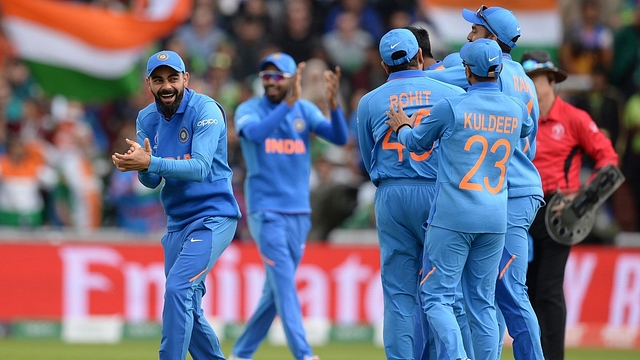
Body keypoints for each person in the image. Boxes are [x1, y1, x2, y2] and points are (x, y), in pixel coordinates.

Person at [386, 38, 533, 360]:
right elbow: (526, 128)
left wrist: (402, 128)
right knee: (483, 301)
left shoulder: (451, 106)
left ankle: (456, 357)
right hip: (495, 216)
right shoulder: (515, 108)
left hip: (453, 215)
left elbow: (417, 145)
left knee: (437, 297)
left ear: (466, 70)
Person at [111, 50, 240, 360]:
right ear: (149, 84)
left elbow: (199, 168)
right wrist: (141, 167)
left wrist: (151, 161)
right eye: (158, 80)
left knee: (178, 290)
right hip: (178, 223)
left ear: (186, 79)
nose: (166, 86)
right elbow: (152, 182)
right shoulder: (146, 118)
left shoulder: (206, 109)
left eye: (172, 78)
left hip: (214, 217)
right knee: (187, 307)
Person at [228, 52, 347, 360]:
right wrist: (288, 105)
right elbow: (254, 134)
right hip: (265, 212)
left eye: (278, 76)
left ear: (293, 79)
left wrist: (333, 106)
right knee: (283, 284)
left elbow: (338, 136)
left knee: (274, 291)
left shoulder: (303, 110)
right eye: (266, 76)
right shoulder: (249, 109)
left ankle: (241, 354)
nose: (270, 82)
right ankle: (304, 354)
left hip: (299, 213)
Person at [356, 28, 465, 360]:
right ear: (420, 56)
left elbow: (366, 155)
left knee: (399, 295)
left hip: (391, 194)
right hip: (439, 193)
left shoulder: (369, 101)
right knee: (444, 294)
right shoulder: (449, 92)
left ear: (383, 66)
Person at [521, 49, 619, 360]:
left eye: (534, 78)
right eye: (524, 78)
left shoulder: (574, 118)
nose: (528, 84)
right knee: (525, 291)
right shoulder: (515, 117)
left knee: (548, 290)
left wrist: (583, 199)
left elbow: (609, 162)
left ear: (552, 80)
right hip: (519, 210)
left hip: (556, 213)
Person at [461, 6, 546, 360]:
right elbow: (532, 142)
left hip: (511, 193)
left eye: (475, 31)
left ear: (491, 39)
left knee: (509, 289)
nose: (469, 37)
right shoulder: (525, 81)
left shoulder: (480, 71)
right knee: (488, 290)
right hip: (512, 190)